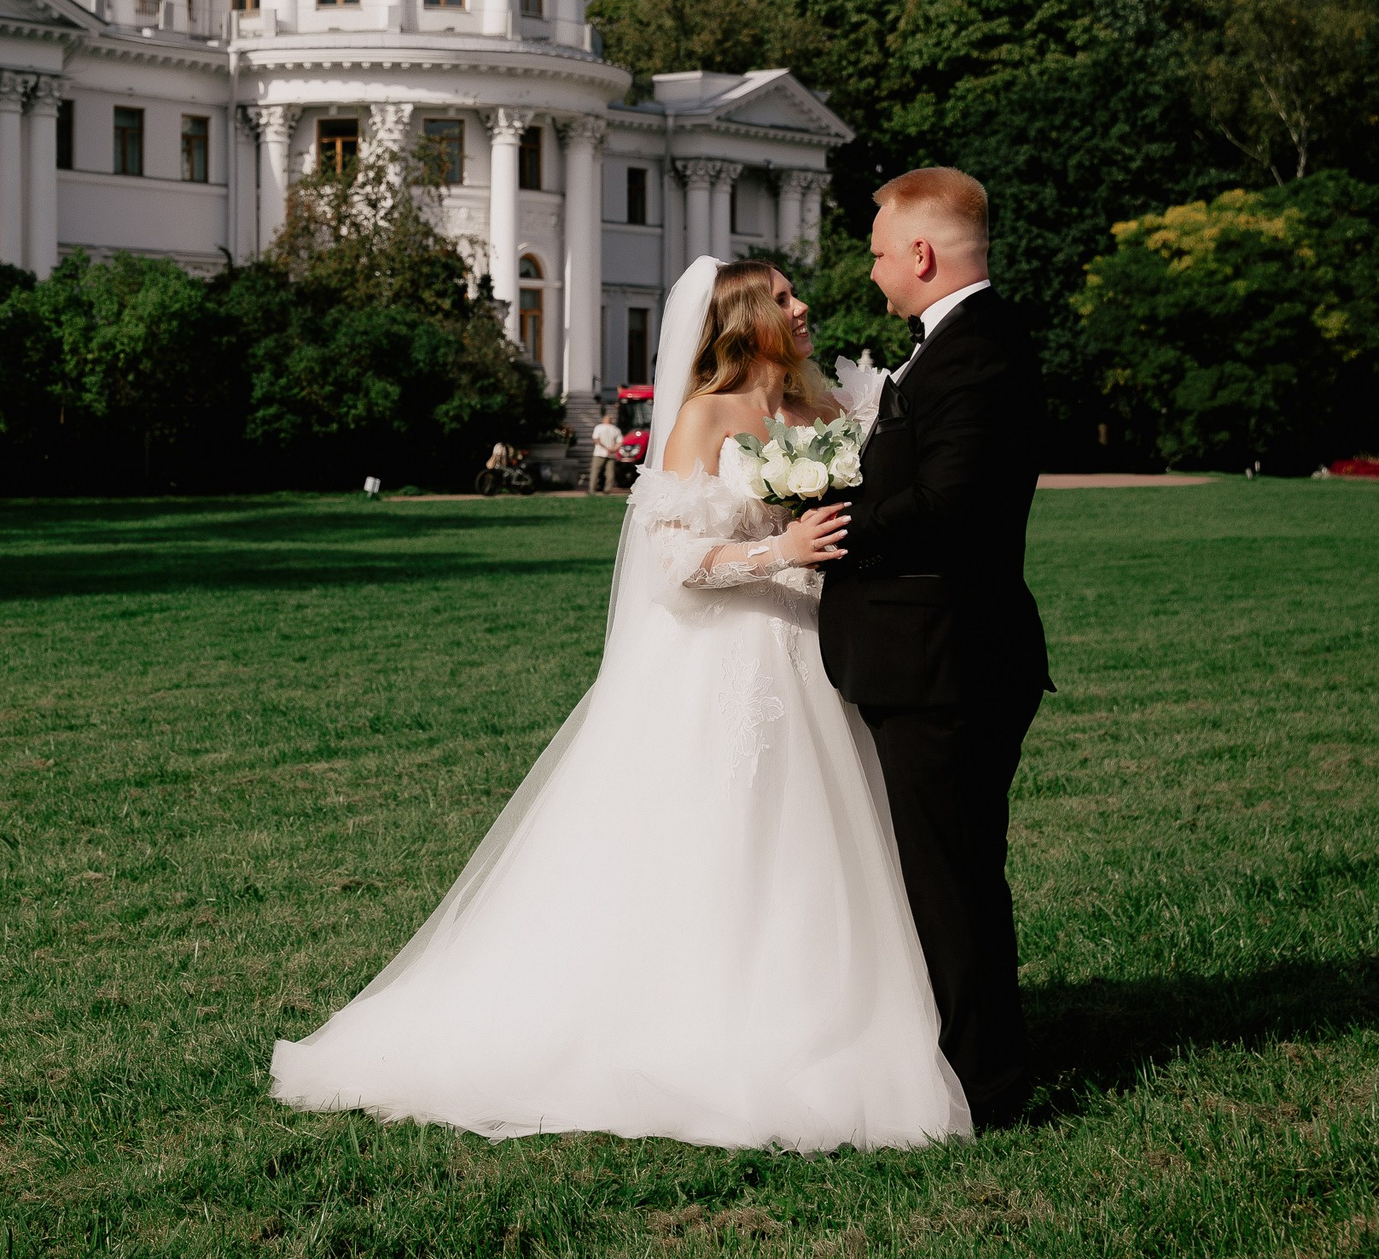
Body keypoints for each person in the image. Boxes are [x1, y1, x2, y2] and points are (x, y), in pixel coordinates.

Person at [270, 257, 969, 1151]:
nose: (804, 308)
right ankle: (694, 1020)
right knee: (723, 834)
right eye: (786, 299)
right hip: (730, 653)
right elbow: (675, 554)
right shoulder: (704, 417)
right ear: (746, 318)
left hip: (814, 650)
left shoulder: (824, 406)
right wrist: (780, 548)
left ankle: (826, 1010)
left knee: (819, 836)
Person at [818, 166, 1052, 1131]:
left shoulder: (979, 352)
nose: (872, 273)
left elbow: (954, 505)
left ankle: (987, 1085)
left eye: (878, 253)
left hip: (946, 660)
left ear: (922, 253)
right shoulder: (953, 346)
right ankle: (976, 1057)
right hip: (938, 654)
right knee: (950, 870)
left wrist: (837, 526)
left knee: (949, 880)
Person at [587, 407, 622, 493]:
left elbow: (596, 440)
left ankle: (592, 489)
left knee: (595, 472)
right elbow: (620, 442)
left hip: (599, 453)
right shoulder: (616, 429)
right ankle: (607, 489)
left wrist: (605, 447)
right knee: (610, 473)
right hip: (611, 453)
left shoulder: (599, 427)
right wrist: (612, 448)